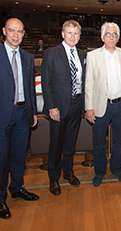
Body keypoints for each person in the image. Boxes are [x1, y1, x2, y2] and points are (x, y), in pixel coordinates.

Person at [0, 18, 39, 220]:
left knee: (20, 155)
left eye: (20, 32)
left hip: (23, 114)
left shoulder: (28, 57)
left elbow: (29, 89)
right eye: (12, 31)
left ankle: (17, 188)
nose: (15, 35)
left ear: (23, 34)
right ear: (4, 31)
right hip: (1, 115)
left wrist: (33, 113)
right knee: (1, 158)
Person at [85, 22, 121, 187]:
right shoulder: (92, 56)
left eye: (114, 34)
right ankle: (99, 172)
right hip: (100, 106)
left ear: (118, 37)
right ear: (102, 37)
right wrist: (89, 108)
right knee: (98, 142)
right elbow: (89, 83)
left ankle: (116, 169)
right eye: (108, 34)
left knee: (119, 141)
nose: (111, 37)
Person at [41, 20, 86, 196]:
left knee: (70, 142)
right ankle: (53, 178)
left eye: (76, 33)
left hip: (76, 104)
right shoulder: (51, 53)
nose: (73, 36)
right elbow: (46, 83)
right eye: (69, 33)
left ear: (79, 36)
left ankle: (68, 171)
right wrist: (52, 106)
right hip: (58, 107)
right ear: (62, 34)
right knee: (56, 144)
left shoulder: (83, 54)